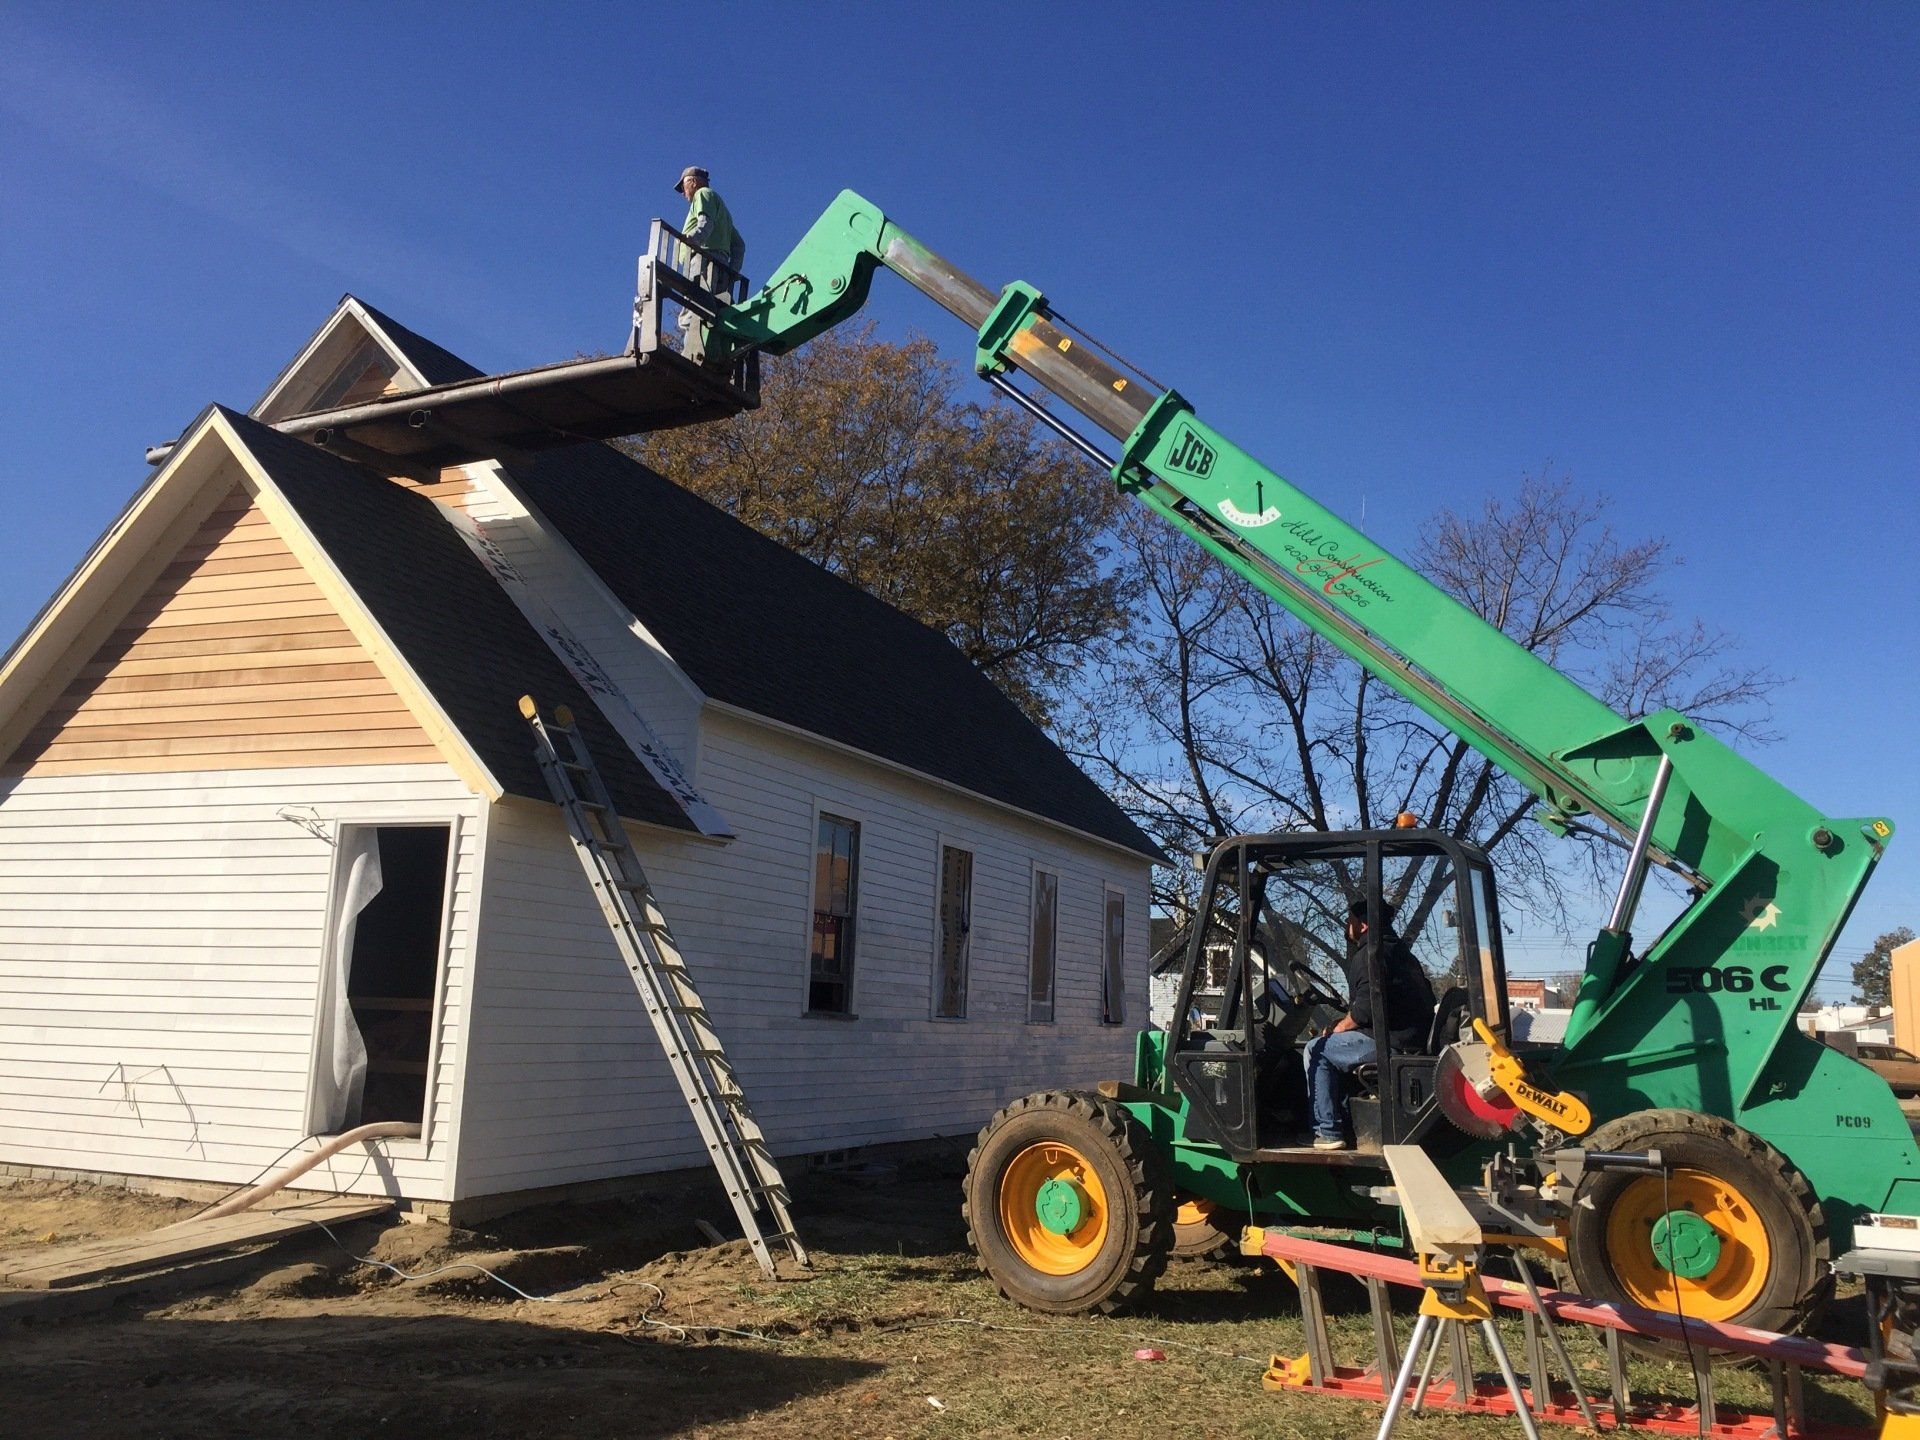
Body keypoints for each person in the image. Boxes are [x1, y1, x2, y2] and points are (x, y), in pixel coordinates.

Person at [1302, 899, 1437, 1150]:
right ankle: (1344, 1124)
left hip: (1391, 1043)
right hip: (1408, 1037)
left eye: (1349, 920)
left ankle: (1328, 1131)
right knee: (1332, 1045)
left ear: (1363, 925)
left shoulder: (1370, 956)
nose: (1347, 925)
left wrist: (1339, 1027)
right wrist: (1341, 1023)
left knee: (1316, 1050)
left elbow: (1364, 1011)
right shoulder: (1401, 953)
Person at [671, 166, 745, 365]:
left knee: (693, 311)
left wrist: (691, 239)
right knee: (713, 312)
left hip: (702, 261)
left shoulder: (703, 194)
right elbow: (739, 245)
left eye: (684, 187)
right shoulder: (724, 212)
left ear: (692, 182)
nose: (684, 193)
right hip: (719, 266)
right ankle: (714, 356)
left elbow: (705, 223)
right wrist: (732, 272)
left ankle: (692, 356)